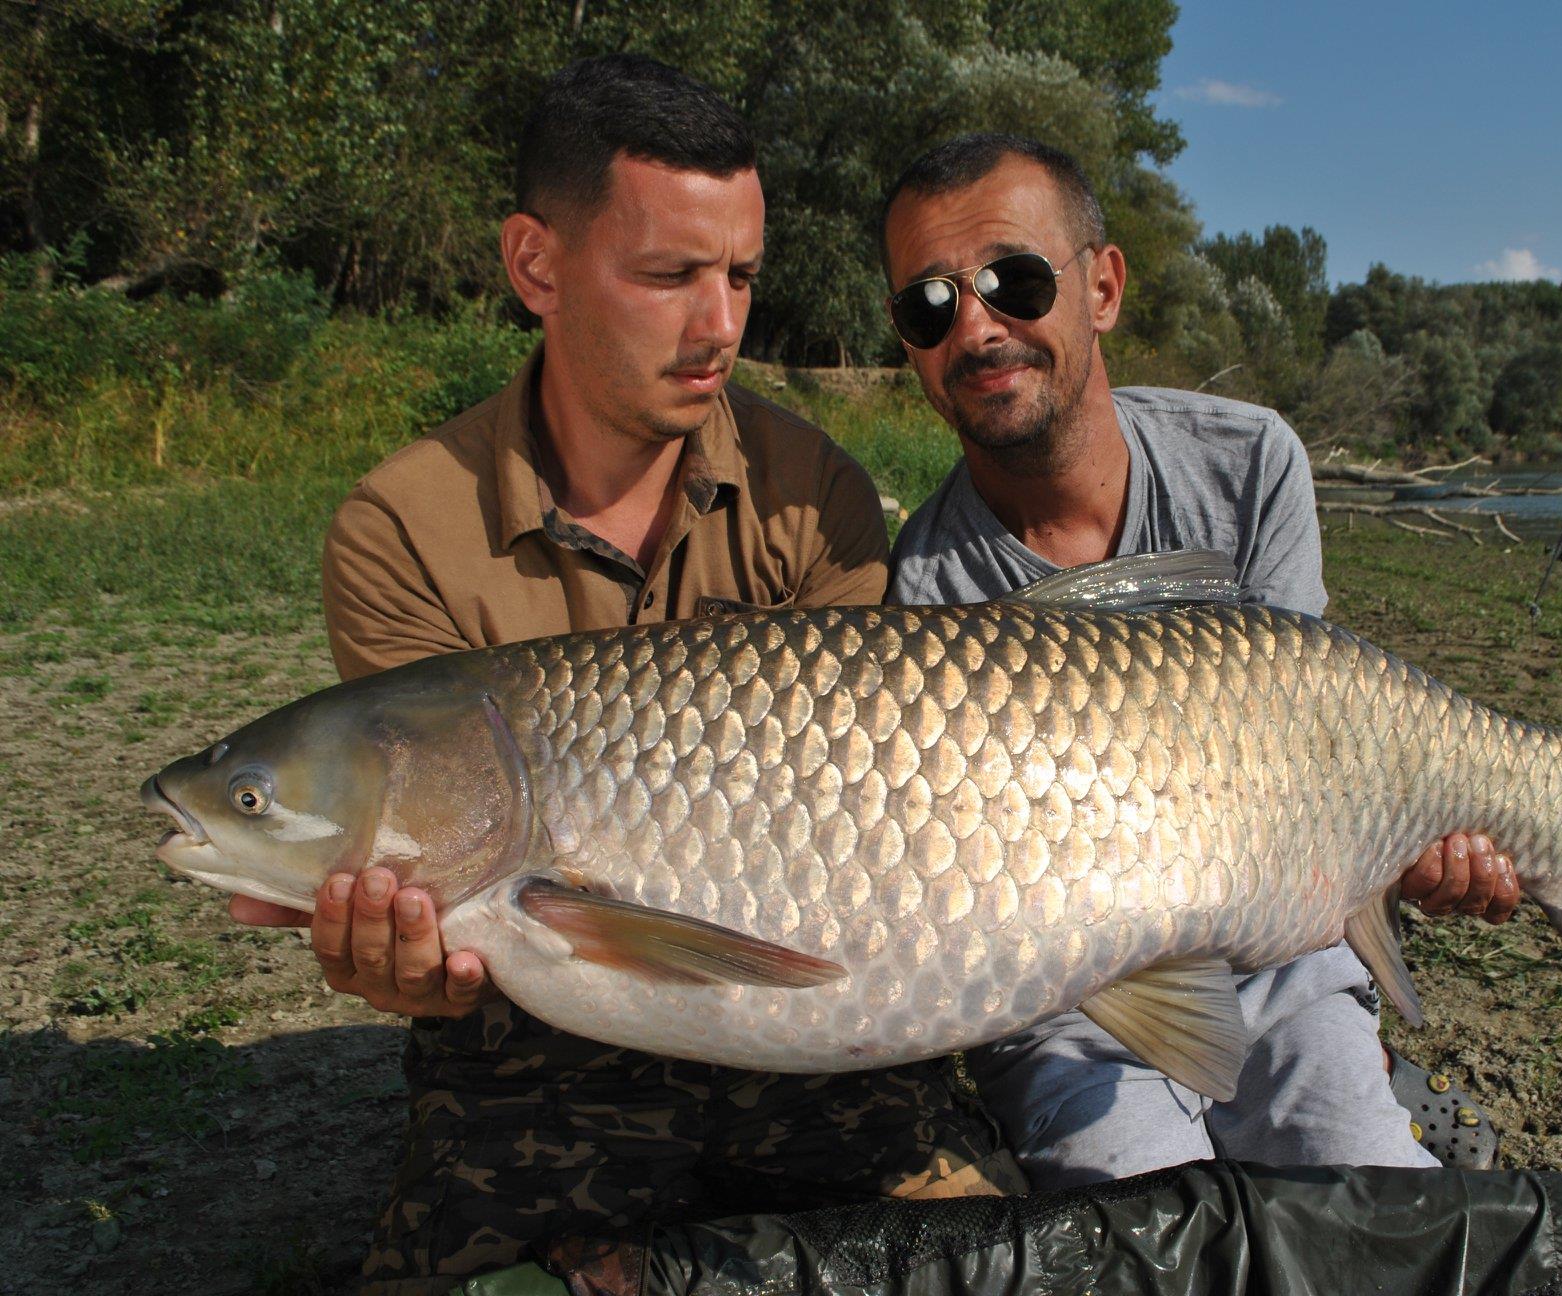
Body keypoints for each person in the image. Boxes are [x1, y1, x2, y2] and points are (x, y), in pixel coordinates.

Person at [229, 58, 1022, 1296]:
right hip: (537, 1040)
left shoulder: (815, 494)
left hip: (802, 1007)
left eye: (742, 276)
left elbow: (865, 834)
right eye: (669, 276)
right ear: (536, 264)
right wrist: (399, 962)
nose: (720, 327)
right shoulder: (401, 525)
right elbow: (427, 862)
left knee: (981, 1260)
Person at [878, 133, 1519, 1187]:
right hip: (1061, 999)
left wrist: (1408, 852)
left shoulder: (1249, 462)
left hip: (1279, 962)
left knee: (1364, 1196)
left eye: (1013, 281)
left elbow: (1313, 763)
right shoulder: (926, 581)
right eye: (929, 306)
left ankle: (1369, 1090)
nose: (977, 327)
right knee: (1147, 1228)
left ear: (1102, 287)